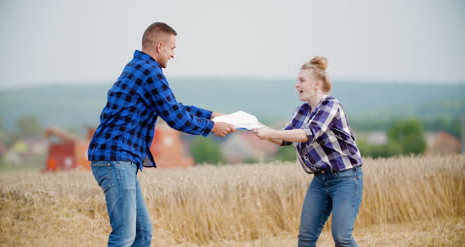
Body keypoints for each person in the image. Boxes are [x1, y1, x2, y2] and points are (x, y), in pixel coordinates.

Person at [88, 22, 235, 247]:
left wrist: (212, 115)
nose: (174, 55)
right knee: (124, 236)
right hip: (116, 160)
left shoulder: (139, 66)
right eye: (172, 48)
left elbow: (172, 106)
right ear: (159, 46)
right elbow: (174, 117)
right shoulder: (149, 71)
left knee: (142, 233)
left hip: (118, 160)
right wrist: (210, 127)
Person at [253, 56, 363, 247]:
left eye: (301, 80)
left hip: (346, 178)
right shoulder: (302, 110)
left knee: (342, 238)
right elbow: (283, 138)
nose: (296, 85)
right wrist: (253, 125)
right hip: (320, 180)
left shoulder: (331, 106)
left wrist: (269, 131)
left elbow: (307, 134)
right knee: (305, 240)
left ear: (316, 84)